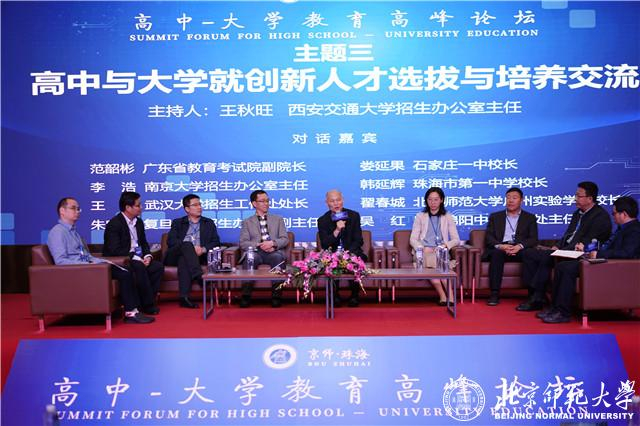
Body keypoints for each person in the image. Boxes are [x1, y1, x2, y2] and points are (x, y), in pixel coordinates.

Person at [47, 197, 154, 324]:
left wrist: (101, 261)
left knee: (127, 270)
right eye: (73, 208)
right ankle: (131, 313)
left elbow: (85, 255)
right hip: (80, 270)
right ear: (62, 211)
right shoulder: (58, 232)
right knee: (125, 274)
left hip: (90, 266)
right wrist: (88, 264)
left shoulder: (74, 232)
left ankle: (133, 309)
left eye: (78, 209)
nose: (78, 211)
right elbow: (60, 261)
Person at [539, 196, 640, 323]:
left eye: (614, 213)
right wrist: (588, 250)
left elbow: (626, 253)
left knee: (566, 268)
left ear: (624, 214)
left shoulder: (634, 230)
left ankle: (563, 312)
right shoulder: (622, 229)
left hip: (612, 267)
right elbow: (608, 246)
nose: (613, 217)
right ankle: (555, 308)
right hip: (603, 262)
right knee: (562, 266)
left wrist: (598, 254)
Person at [517, 181, 611, 311]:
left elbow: (587, 242)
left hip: (578, 253)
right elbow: (568, 235)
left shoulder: (600, 217)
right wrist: (557, 246)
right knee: (528, 253)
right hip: (565, 249)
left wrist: (562, 250)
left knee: (546, 257)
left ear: (590, 199)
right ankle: (534, 294)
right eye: (575, 195)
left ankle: (537, 297)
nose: (575, 198)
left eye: (579, 196)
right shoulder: (577, 214)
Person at [103, 191, 164, 314]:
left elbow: (144, 243)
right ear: (128, 207)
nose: (141, 207)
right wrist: (136, 258)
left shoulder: (139, 222)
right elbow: (114, 250)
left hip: (138, 257)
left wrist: (148, 256)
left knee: (157, 267)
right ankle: (147, 305)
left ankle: (145, 301)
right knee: (139, 266)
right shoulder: (114, 224)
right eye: (138, 205)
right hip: (122, 260)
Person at [482, 187, 539, 306]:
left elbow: (533, 239)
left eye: (514, 198)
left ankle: (531, 294)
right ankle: (494, 293)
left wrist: (519, 246)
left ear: (522, 200)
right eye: (508, 198)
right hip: (502, 248)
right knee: (496, 254)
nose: (511, 200)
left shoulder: (529, 218)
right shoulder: (495, 217)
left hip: (520, 248)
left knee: (530, 254)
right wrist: (501, 246)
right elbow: (489, 237)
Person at [165, 194, 221, 309]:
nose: (199, 207)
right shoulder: (178, 223)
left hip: (198, 257)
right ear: (187, 209)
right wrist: (189, 248)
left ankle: (184, 298)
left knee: (184, 260)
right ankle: (199, 276)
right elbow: (171, 241)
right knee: (187, 245)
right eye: (195, 205)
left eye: (200, 204)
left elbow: (216, 242)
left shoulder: (208, 223)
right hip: (174, 256)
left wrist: (203, 249)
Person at [239, 190, 289, 308]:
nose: (266, 203)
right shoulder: (247, 222)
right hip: (255, 251)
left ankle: (276, 296)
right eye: (262, 201)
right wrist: (259, 244)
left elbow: (285, 239)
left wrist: (273, 243)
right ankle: (246, 296)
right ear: (254, 203)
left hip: (273, 252)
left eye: (267, 201)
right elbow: (243, 243)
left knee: (278, 257)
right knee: (250, 258)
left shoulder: (278, 219)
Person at [409, 187, 460, 305]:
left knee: (438, 260)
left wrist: (445, 245)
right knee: (432, 261)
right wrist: (422, 248)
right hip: (423, 252)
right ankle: (446, 296)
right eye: (430, 199)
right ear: (426, 200)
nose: (433, 202)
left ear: (441, 200)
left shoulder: (447, 216)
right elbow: (412, 239)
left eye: (436, 199)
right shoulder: (420, 216)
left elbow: (456, 239)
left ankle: (447, 297)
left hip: (441, 251)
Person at [318, 189, 367, 307]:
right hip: (332, 253)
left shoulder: (353, 216)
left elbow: (359, 240)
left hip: (351, 252)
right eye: (332, 201)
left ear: (343, 200)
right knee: (330, 262)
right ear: (327, 203)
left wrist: (348, 254)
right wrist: (337, 230)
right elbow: (325, 244)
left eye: (338, 200)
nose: (336, 203)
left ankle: (354, 295)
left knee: (355, 261)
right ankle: (334, 296)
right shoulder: (323, 220)